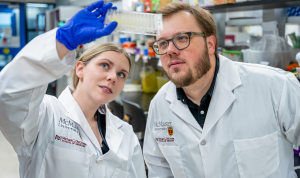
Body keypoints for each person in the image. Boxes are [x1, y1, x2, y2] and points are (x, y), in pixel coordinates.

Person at [143, 2, 300, 178]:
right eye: (163, 43)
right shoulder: (159, 104)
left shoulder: (276, 87)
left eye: (181, 38)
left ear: (210, 44)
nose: (170, 50)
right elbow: (159, 171)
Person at [0, 1, 146, 178]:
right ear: (80, 69)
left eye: (122, 74)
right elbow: (10, 93)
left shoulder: (125, 134)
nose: (113, 77)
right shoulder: (45, 116)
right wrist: (64, 39)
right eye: (105, 65)